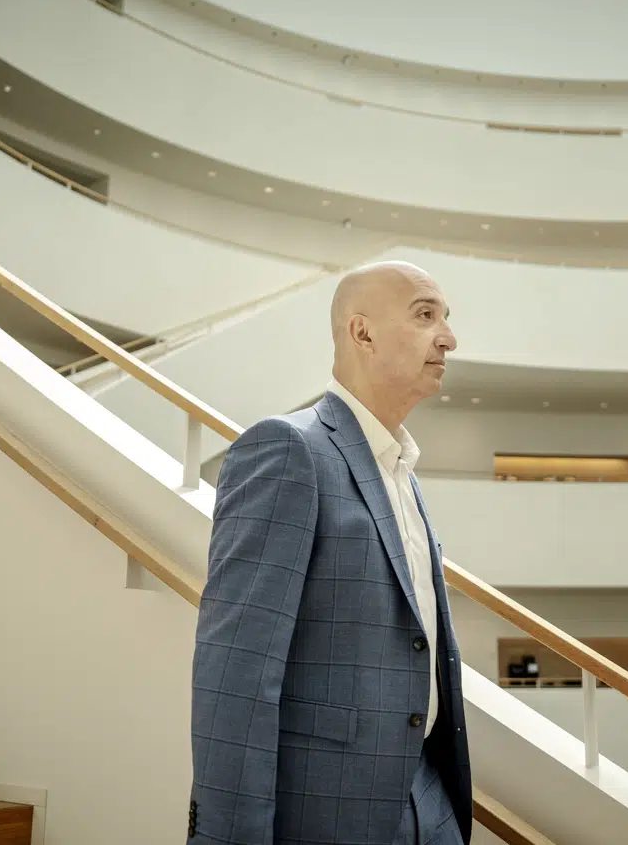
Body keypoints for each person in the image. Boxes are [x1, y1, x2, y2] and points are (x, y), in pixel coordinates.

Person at [188, 261, 472, 845]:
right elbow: (236, 675)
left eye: (446, 319)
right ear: (362, 332)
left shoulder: (403, 473)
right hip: (324, 815)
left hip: (431, 807)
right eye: (425, 316)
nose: (448, 337)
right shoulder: (287, 450)